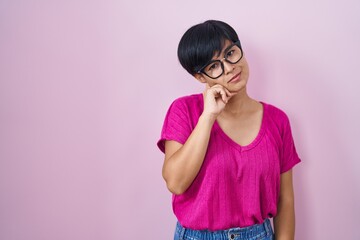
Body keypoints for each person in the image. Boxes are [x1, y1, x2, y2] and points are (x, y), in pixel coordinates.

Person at [157, 20, 301, 240]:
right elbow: (176, 183)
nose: (229, 67)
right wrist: (208, 117)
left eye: (230, 53)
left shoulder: (278, 120)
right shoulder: (183, 111)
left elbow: (285, 200)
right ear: (200, 77)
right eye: (213, 66)